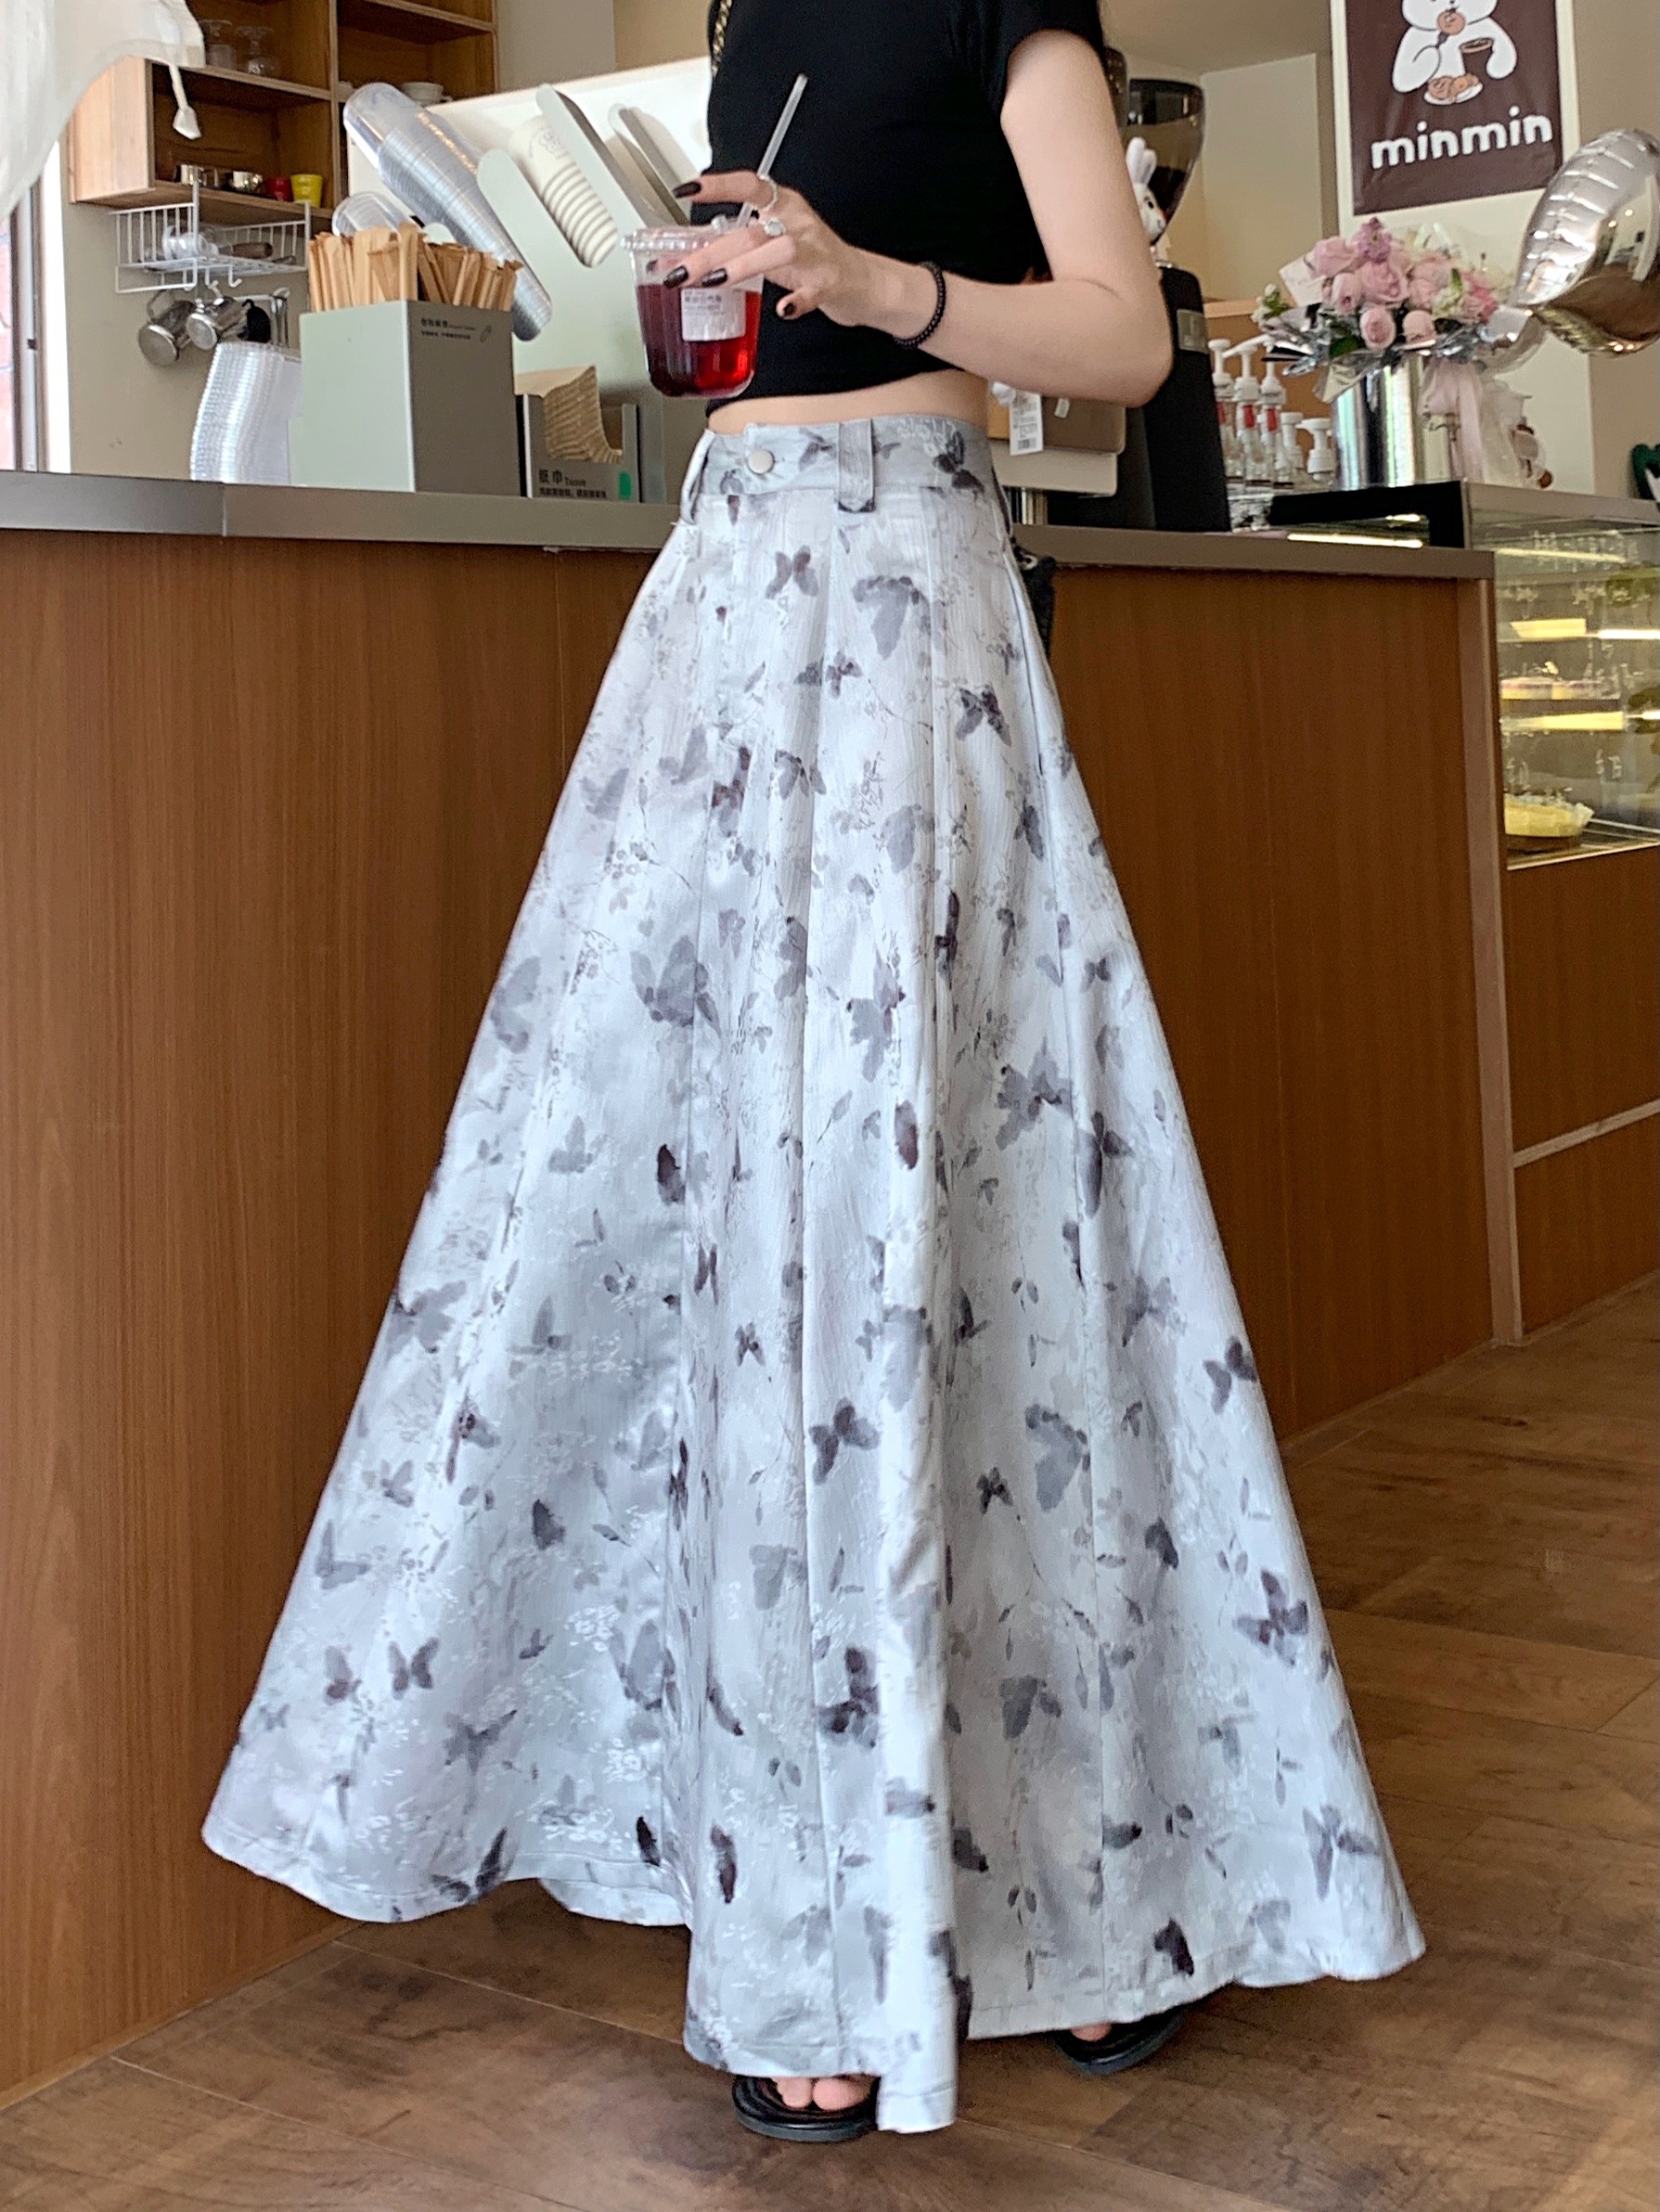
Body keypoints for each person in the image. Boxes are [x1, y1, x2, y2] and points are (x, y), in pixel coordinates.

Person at [204, 0, 1423, 2147]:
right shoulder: (742, 17)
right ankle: (804, 1907)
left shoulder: (1005, 14)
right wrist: (721, 300)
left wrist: (862, 280)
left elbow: (1121, 344)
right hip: (727, 590)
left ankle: (1088, 1897)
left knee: (978, 1225)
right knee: (708, 1223)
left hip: (907, 588)